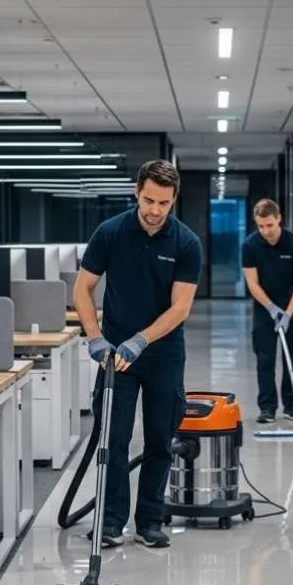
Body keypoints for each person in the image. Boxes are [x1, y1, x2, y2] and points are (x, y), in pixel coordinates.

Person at [74, 159, 203, 549]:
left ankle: (150, 521)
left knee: (160, 439)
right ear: (136, 192)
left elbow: (180, 308)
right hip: (115, 355)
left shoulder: (186, 243)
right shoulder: (110, 232)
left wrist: (143, 339)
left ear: (174, 200)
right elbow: (83, 289)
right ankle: (111, 522)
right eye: (148, 200)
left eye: (163, 203)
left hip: (163, 355)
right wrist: (95, 338)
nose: (154, 210)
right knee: (112, 438)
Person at [240, 198, 293, 424]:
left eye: (269, 225)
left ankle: (292, 406)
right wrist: (271, 308)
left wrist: (288, 313)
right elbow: (252, 283)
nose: (265, 231)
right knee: (265, 358)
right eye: (260, 226)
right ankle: (267, 408)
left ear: (279, 219)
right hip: (264, 307)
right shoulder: (250, 246)